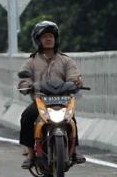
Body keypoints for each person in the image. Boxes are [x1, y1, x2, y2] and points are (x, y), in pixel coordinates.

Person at [17, 20, 86, 169]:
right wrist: (25, 85)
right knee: (26, 117)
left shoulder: (66, 60)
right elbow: (24, 79)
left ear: (56, 39)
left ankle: (74, 151)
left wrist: (76, 82)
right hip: (41, 101)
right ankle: (30, 153)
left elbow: (74, 76)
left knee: (71, 119)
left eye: (51, 36)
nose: (48, 39)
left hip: (63, 100)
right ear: (38, 40)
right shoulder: (31, 61)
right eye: (44, 37)